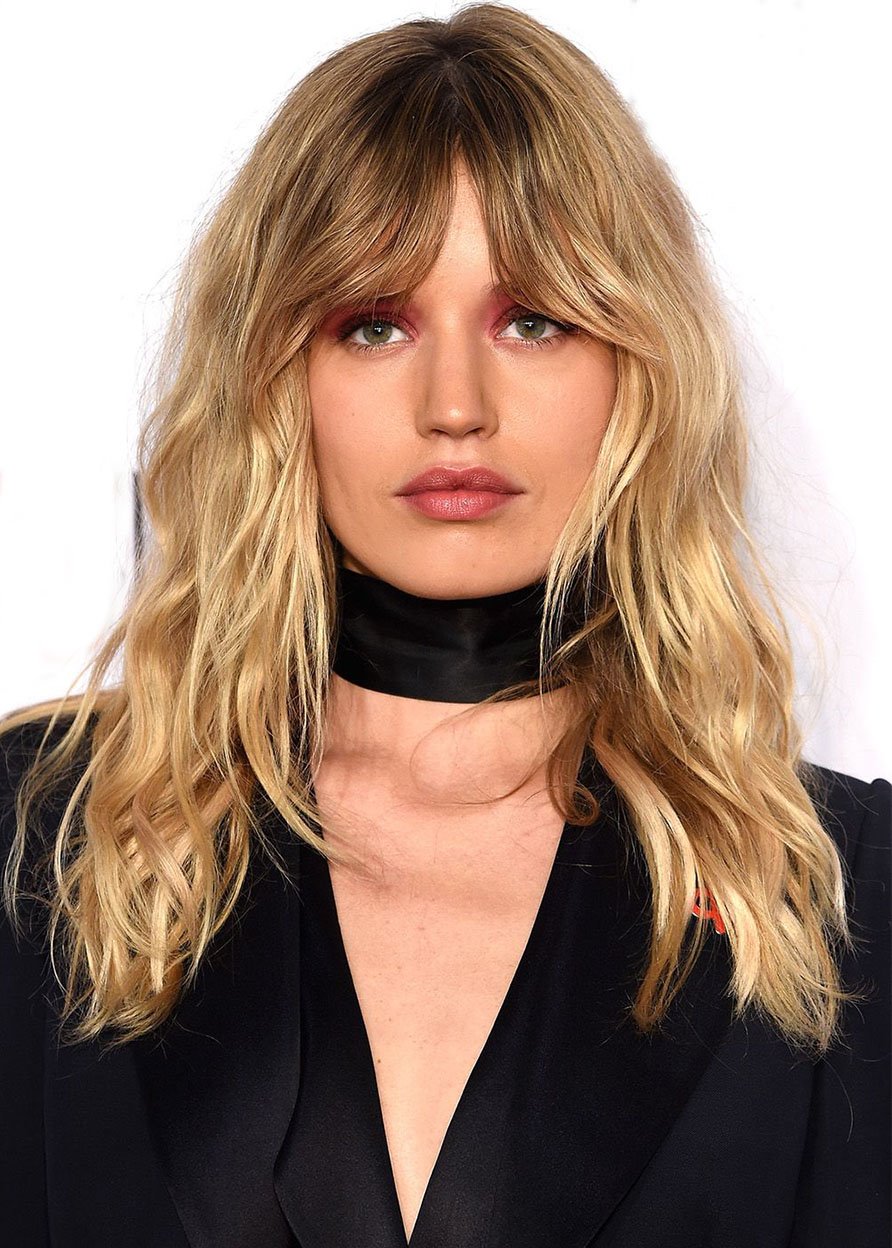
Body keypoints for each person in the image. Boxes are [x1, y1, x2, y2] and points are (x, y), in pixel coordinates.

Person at [1, 5, 889, 1246]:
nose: (455, 404)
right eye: (373, 323)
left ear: (638, 370)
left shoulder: (845, 892)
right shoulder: (45, 840)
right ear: (275, 378)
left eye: (533, 319)